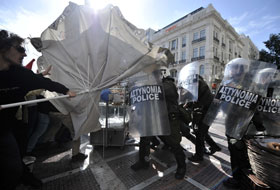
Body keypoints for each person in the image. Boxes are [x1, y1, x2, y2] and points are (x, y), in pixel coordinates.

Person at [0, 29, 76, 190]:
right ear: (4, 49)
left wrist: (66, 90)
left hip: (6, 127)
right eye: (20, 49)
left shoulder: (19, 73)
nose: (24, 54)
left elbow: (44, 83)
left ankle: (22, 174)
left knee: (14, 160)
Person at [130, 75, 186, 180]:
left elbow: (159, 91)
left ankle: (182, 167)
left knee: (174, 143)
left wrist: (146, 87)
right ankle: (144, 161)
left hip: (168, 119)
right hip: (154, 118)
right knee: (145, 139)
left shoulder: (169, 84)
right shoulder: (156, 85)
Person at [187, 75, 221, 162]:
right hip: (210, 110)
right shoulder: (201, 83)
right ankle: (214, 147)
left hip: (208, 111)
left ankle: (199, 156)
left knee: (199, 134)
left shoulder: (198, 84)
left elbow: (195, 98)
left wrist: (188, 104)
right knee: (203, 132)